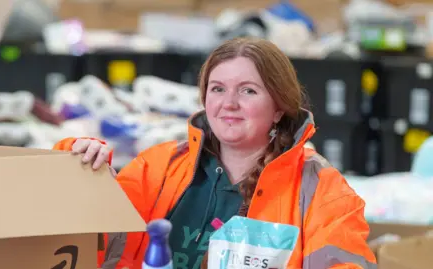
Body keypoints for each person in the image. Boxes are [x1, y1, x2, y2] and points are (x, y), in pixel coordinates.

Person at [53, 37, 376, 269]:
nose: (229, 103)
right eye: (217, 89)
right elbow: (88, 237)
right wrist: (79, 160)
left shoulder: (321, 192)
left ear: (278, 108)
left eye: (248, 90)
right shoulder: (158, 167)